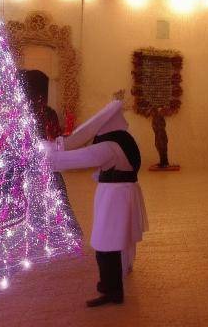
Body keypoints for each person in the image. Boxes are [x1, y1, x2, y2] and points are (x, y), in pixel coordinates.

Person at [44, 92, 148, 307]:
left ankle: (112, 291)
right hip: (121, 193)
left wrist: (39, 151)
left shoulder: (109, 146)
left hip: (115, 197)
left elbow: (70, 160)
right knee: (119, 240)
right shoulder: (124, 140)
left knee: (105, 243)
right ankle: (118, 277)